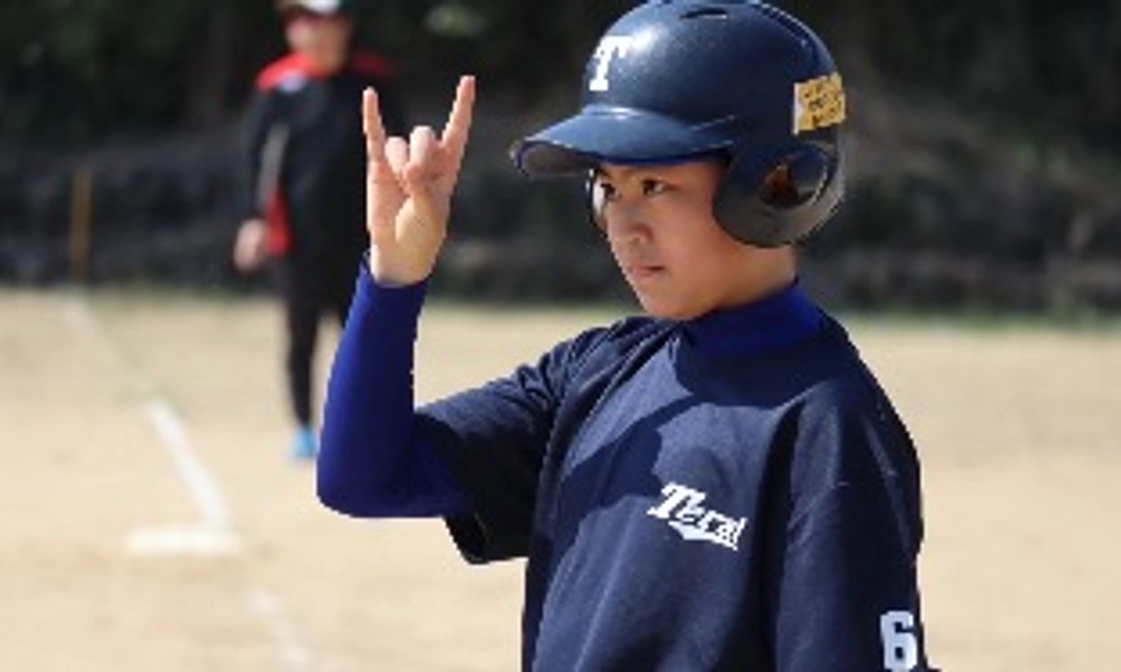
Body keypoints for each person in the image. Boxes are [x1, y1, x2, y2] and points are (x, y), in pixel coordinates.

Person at [317, 1, 935, 669]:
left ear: (777, 186)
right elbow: (363, 477)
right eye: (608, 188)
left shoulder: (826, 428)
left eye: (655, 184)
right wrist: (394, 278)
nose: (624, 223)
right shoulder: (599, 371)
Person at [233, 0, 406, 460]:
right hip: (296, 240)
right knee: (301, 336)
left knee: (362, 338)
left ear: (344, 26)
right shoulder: (278, 85)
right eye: (300, 21)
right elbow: (255, 159)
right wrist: (252, 218)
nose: (309, 30)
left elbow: (397, 147)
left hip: (363, 239)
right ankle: (304, 429)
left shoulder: (373, 80)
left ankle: (364, 428)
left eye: (320, 20)